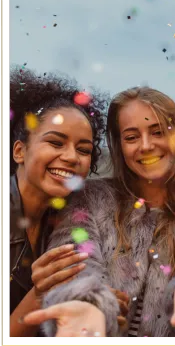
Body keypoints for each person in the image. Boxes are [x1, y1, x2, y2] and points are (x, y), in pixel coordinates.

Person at [38, 87, 175, 338]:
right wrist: (89, 304)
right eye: (131, 137)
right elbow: (74, 264)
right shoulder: (90, 198)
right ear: (119, 146)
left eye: (158, 132)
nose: (146, 146)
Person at [8, 66, 110, 338]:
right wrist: (41, 293)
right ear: (20, 151)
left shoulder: (76, 218)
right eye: (56, 143)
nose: (71, 157)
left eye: (84, 149)